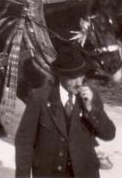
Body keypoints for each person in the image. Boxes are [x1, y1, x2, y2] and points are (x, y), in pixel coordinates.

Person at [15, 47, 116, 178]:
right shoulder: (40, 98)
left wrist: (91, 109)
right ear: (61, 75)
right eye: (73, 77)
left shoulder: (91, 96)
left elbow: (109, 134)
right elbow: (24, 141)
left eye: (81, 75)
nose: (78, 83)